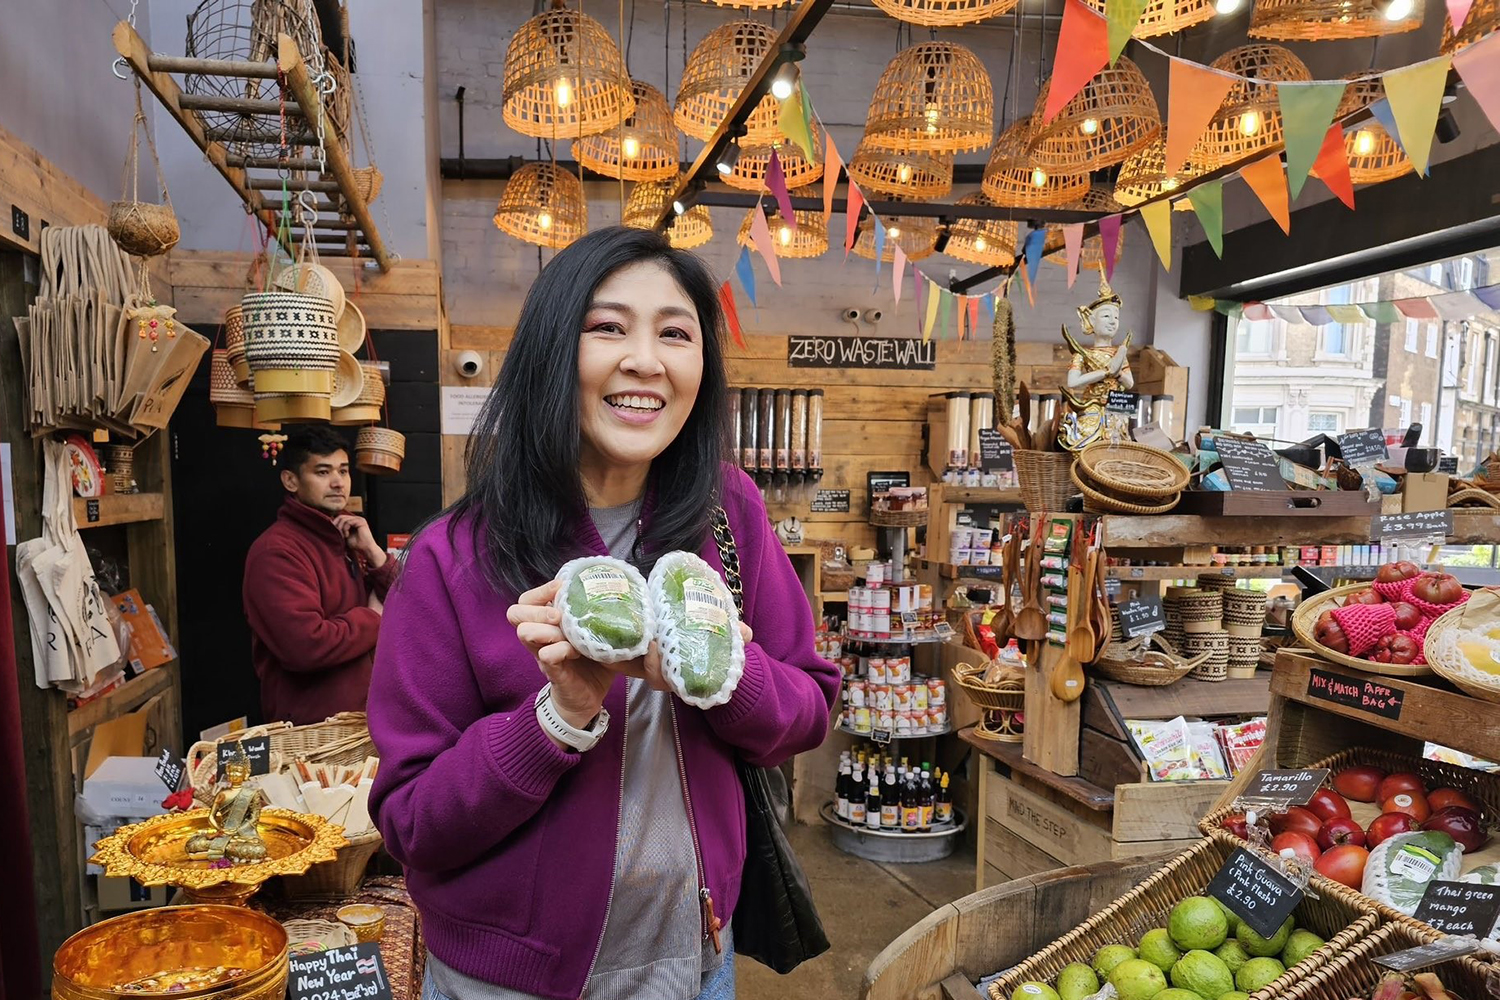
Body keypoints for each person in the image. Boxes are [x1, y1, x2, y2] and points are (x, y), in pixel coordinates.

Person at [369, 227, 840, 1000]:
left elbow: (810, 708)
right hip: (511, 983)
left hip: (696, 960)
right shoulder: (453, 557)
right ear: (555, 353)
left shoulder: (730, 514)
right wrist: (558, 715)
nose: (646, 361)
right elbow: (412, 820)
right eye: (609, 327)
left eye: (676, 334)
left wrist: (723, 673)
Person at [242, 426, 396, 725]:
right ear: (291, 480)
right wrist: (374, 618)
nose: (338, 483)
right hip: (312, 729)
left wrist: (374, 553)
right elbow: (306, 646)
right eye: (323, 472)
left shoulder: (346, 537)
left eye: (343, 470)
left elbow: (412, 604)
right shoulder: (276, 552)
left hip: (363, 720)